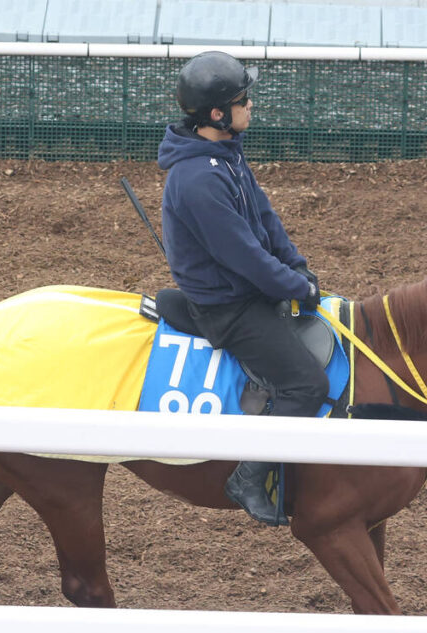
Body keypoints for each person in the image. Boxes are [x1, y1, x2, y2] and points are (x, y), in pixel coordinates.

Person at [157, 51, 328, 526]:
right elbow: (244, 256)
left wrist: (299, 270)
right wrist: (293, 287)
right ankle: (248, 475)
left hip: (249, 290)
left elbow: (265, 219)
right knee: (305, 384)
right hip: (228, 309)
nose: (250, 106)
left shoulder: (224, 155)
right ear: (217, 115)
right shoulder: (196, 179)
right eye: (242, 100)